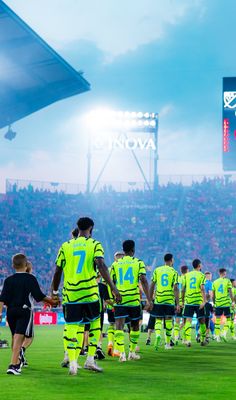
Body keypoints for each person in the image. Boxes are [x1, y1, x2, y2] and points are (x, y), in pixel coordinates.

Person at [51, 217, 121, 375]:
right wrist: (113, 288)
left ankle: (73, 364)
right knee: (95, 325)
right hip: (90, 293)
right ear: (91, 228)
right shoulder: (94, 244)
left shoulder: (66, 246)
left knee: (72, 327)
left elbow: (57, 271)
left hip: (71, 294)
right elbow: (101, 265)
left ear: (78, 227)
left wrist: (54, 292)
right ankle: (90, 360)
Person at [0, 253, 57, 375]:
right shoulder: (30, 279)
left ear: (13, 265)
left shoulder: (8, 280)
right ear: (26, 265)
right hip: (24, 310)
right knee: (19, 337)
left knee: (15, 337)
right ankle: (13, 365)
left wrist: (0, 314)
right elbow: (39, 296)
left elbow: (2, 299)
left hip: (10, 311)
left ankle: (16, 362)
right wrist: (52, 302)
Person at [111, 240, 151, 362]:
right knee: (134, 326)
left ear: (123, 250)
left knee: (119, 325)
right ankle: (132, 352)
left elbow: (111, 281)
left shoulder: (115, 264)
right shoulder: (138, 263)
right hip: (134, 299)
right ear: (133, 250)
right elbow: (143, 280)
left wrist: (114, 294)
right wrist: (149, 299)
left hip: (120, 299)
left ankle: (122, 353)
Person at [149, 253, 179, 350]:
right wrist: (177, 303)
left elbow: (152, 285)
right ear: (171, 260)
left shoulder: (157, 270)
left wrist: (150, 299)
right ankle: (167, 344)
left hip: (159, 299)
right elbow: (175, 288)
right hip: (169, 300)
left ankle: (158, 335)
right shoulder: (174, 272)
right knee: (169, 320)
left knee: (158, 319)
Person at [182, 259, 207, 347]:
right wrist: (204, 301)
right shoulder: (201, 275)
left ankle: (188, 341)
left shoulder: (187, 275)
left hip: (188, 301)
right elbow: (202, 288)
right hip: (198, 302)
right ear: (199, 265)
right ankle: (203, 340)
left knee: (188, 321)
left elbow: (183, 289)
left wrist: (182, 301)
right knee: (202, 321)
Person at [106, 251, 124, 357]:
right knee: (120, 325)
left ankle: (110, 342)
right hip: (121, 302)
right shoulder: (124, 268)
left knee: (111, 324)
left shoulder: (109, 269)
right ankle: (117, 349)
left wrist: (109, 299)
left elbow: (107, 285)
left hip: (111, 303)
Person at [212, 269, 234, 342]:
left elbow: (213, 295)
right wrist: (233, 301)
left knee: (217, 321)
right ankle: (223, 332)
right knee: (229, 319)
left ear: (219, 273)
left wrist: (214, 302)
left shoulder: (214, 282)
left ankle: (217, 337)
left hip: (218, 304)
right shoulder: (227, 281)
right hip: (226, 303)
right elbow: (230, 292)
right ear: (225, 273)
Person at [196, 271, 214, 343]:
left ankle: (198, 334)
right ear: (208, 276)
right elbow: (210, 293)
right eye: (210, 276)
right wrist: (211, 299)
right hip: (206, 302)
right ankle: (206, 338)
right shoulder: (209, 283)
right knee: (207, 325)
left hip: (200, 302)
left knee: (200, 322)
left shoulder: (201, 281)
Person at [173, 265, 189, 345]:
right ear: (187, 270)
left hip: (177, 301)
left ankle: (175, 338)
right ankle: (184, 339)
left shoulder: (178, 278)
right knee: (185, 321)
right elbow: (184, 290)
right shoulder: (187, 278)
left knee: (177, 320)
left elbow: (175, 289)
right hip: (185, 301)